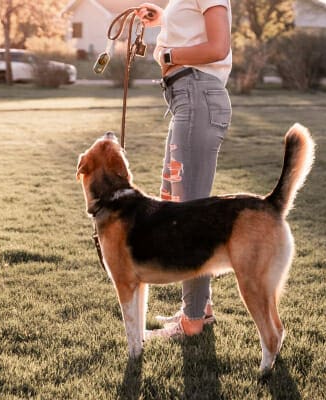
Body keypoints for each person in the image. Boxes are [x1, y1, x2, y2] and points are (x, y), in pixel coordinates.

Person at [136, 0, 233, 338]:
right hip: (186, 98)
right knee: (181, 208)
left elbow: (218, 47)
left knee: (188, 215)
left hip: (196, 95)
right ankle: (199, 310)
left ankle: (192, 322)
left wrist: (168, 56)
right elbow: (195, 32)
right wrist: (164, 19)